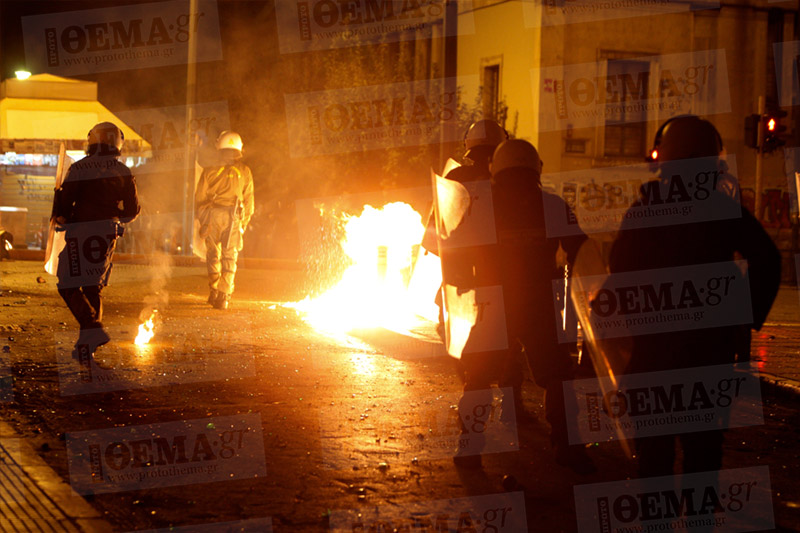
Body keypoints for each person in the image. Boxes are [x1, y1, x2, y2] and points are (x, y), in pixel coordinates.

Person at [610, 115, 781, 478]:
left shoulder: (645, 211)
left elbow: (619, 268)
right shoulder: (723, 209)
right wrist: (745, 314)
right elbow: (768, 259)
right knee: (703, 445)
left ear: (663, 159)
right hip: (708, 350)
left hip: (653, 351)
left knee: (654, 447)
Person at [53, 122, 140, 358]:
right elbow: (132, 211)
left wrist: (63, 214)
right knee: (93, 286)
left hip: (80, 232)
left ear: (92, 140)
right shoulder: (124, 171)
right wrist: (112, 219)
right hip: (106, 234)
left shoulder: (81, 167)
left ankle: (92, 328)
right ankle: (87, 345)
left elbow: (65, 202)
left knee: (67, 282)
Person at [195, 131, 254, 310]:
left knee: (213, 255)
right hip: (233, 217)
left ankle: (213, 291)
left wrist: (203, 219)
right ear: (239, 149)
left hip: (212, 216)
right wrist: (243, 225)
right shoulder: (244, 171)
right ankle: (224, 296)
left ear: (219, 147)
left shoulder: (209, 170)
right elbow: (249, 201)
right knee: (230, 256)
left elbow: (199, 198)